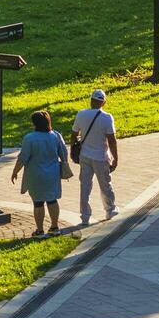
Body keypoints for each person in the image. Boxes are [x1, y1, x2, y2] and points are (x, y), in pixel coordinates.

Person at [9, 110, 69, 236]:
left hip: (35, 174)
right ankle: (55, 227)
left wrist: (15, 171)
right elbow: (64, 152)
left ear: (34, 123)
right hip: (53, 174)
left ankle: (40, 230)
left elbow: (23, 158)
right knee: (52, 200)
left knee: (38, 202)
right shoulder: (56, 135)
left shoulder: (29, 138)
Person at [71, 89, 119, 226]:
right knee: (105, 185)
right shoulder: (107, 117)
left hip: (85, 156)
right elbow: (112, 140)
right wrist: (115, 158)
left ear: (91, 100)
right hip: (101, 157)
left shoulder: (81, 114)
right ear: (103, 102)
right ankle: (110, 210)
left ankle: (85, 216)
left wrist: (72, 150)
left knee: (85, 186)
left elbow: (74, 134)